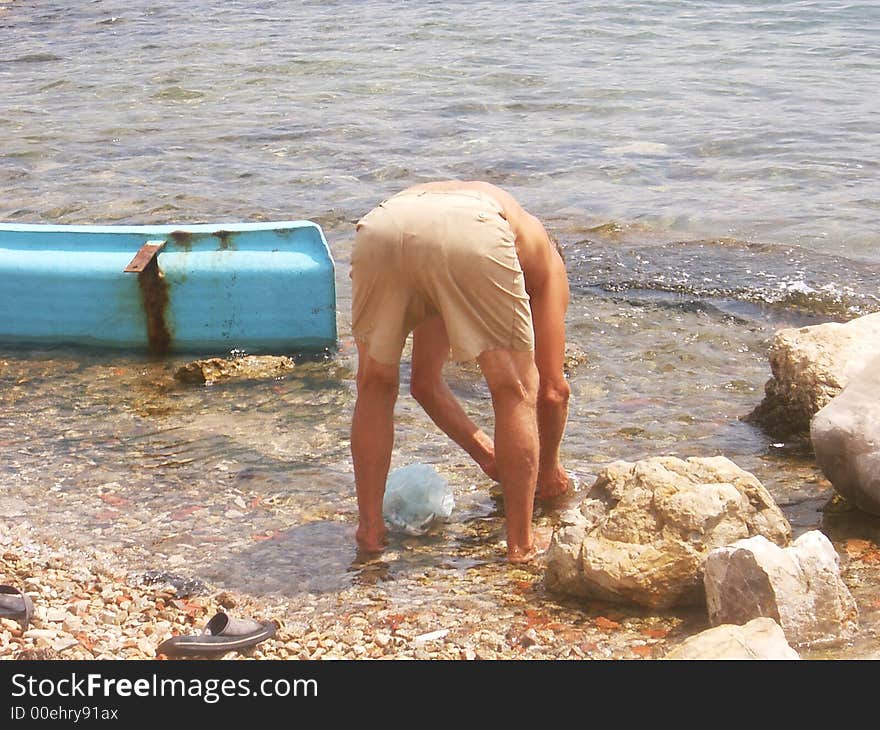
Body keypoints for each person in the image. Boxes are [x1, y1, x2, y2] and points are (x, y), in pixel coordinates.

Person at [349, 180, 571, 563]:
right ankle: (521, 546)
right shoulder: (548, 261)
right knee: (515, 387)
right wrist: (548, 473)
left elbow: (424, 383)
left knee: (374, 384)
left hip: (383, 225)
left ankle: (370, 533)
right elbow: (553, 391)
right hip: (472, 230)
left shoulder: (473, 227)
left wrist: (487, 455)